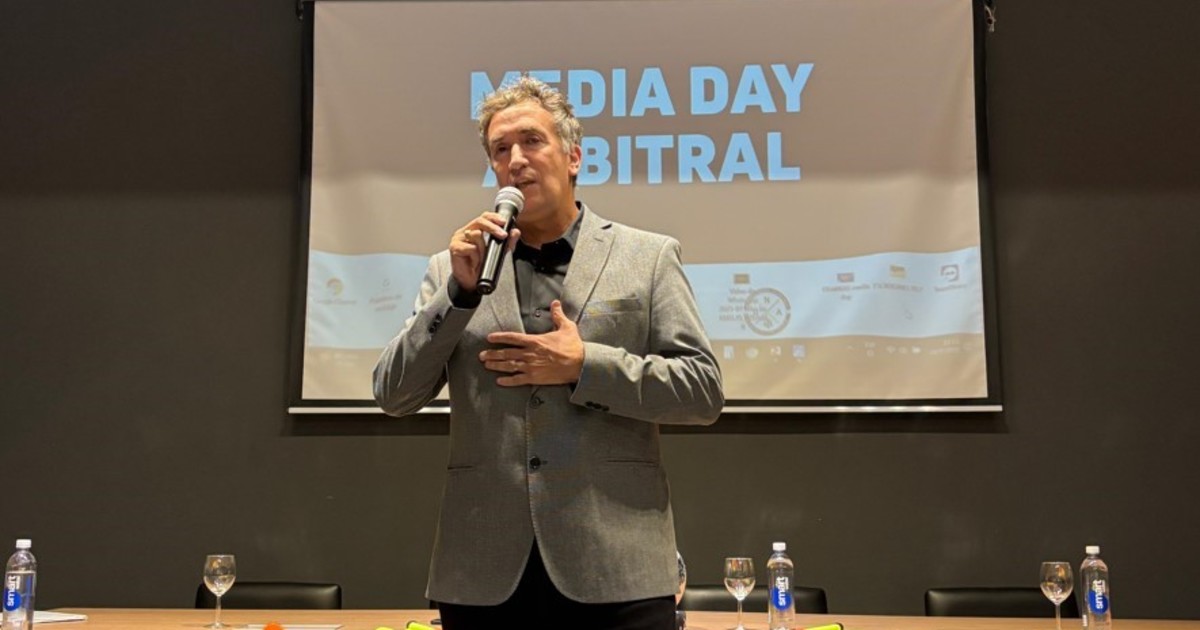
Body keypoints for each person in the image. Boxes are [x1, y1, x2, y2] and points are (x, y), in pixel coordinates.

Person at [373, 75, 723, 630]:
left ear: (574, 157)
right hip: (485, 570)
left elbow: (701, 391)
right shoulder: (453, 269)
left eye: (532, 141)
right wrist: (458, 294)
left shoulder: (649, 256)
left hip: (617, 565)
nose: (515, 160)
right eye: (500, 150)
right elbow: (394, 394)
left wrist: (584, 365)